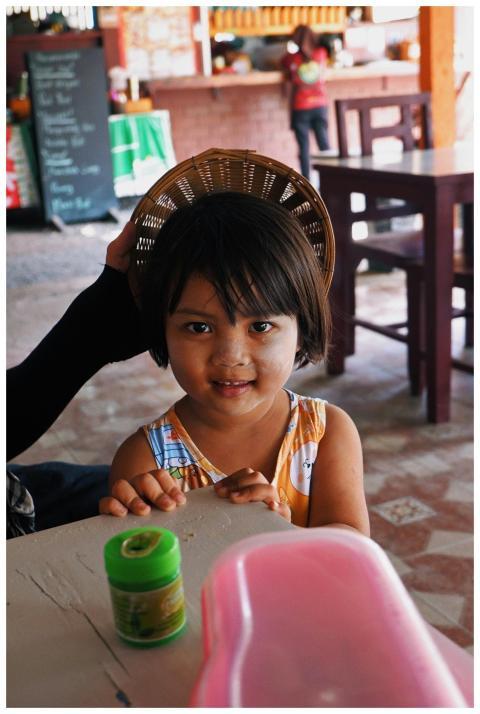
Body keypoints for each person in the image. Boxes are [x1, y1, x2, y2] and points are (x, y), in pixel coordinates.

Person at [99, 188, 370, 534]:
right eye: (199, 327)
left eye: (260, 326)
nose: (230, 356)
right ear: (162, 329)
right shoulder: (147, 461)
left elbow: (353, 550)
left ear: (302, 328)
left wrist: (281, 532)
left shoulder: (325, 433)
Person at [6, 222, 150, 537]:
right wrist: (92, 327)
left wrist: (92, 326)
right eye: (199, 327)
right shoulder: (147, 448)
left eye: (259, 326)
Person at [282, 25, 331, 180]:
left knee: (304, 148)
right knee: (324, 145)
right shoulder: (322, 54)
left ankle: (306, 185)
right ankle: (330, 180)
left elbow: (282, 64)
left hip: (301, 107)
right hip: (319, 105)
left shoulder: (291, 58)